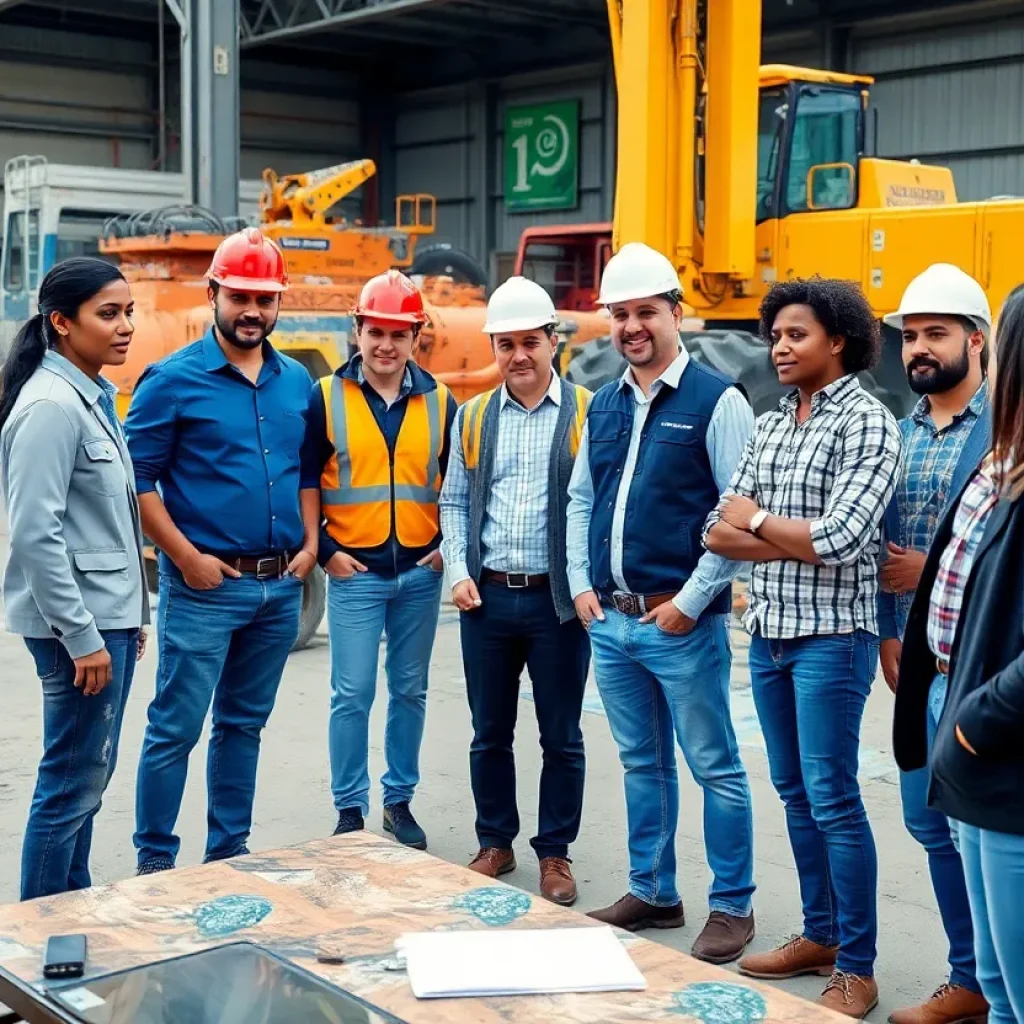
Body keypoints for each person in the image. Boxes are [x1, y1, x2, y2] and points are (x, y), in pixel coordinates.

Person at [705, 277, 902, 1018]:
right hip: (772, 636)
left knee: (833, 799)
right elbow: (715, 529)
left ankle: (857, 964)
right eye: (775, 336)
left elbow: (846, 540)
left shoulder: (868, 423)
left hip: (832, 641)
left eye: (796, 335)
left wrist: (758, 523)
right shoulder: (771, 420)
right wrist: (776, 532)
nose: (780, 347)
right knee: (793, 794)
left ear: (838, 339)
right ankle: (819, 934)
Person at [565, 242, 758, 963]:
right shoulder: (607, 401)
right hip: (612, 623)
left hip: (679, 625)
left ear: (677, 313)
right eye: (620, 314)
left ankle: (732, 905)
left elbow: (737, 516)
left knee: (715, 766)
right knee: (641, 764)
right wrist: (580, 586)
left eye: (647, 311)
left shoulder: (719, 401)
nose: (632, 327)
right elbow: (582, 495)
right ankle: (653, 891)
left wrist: (692, 600)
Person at [125, 228, 321, 874]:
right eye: (240, 296)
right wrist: (184, 558)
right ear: (213, 293)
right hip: (204, 586)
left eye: (265, 300)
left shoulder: (296, 382)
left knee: (243, 726)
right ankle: (155, 864)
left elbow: (305, 471)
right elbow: (138, 481)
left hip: (276, 589)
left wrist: (310, 543)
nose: (253, 312)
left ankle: (227, 854)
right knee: (174, 730)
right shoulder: (172, 381)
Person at [439, 277, 591, 904]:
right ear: (494, 349)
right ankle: (495, 841)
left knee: (561, 736)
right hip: (489, 599)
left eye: (531, 341)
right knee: (489, 730)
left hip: (559, 605)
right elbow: (452, 501)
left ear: (553, 341)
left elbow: (596, 504)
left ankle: (554, 854)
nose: (519, 356)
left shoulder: (589, 410)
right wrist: (458, 570)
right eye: (507, 345)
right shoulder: (472, 416)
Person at [0, 258, 149, 900]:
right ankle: (34, 938)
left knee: (87, 779)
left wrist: (129, 614)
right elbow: (36, 534)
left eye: (128, 312)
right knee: (70, 783)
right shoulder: (52, 408)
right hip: (77, 631)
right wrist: (85, 636)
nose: (125, 327)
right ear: (62, 323)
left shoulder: (88, 395)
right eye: (107, 314)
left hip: (103, 619)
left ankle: (74, 909)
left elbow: (107, 523)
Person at [896, 283, 1024, 1024]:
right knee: (1000, 982)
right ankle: (967, 984)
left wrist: (975, 720)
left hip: (995, 736)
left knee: (1016, 982)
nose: (918, 349)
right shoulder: (1005, 455)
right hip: (954, 693)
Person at [306, 269, 458, 850]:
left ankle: (398, 802)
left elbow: (457, 484)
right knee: (352, 693)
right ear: (357, 331)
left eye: (399, 334)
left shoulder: (441, 401)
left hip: (420, 573)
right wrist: (325, 549)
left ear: (416, 334)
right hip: (356, 573)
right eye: (376, 333)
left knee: (410, 690)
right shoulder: (325, 397)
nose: (386, 346)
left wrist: (449, 548)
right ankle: (350, 811)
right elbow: (306, 481)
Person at [879, 265, 992, 1024]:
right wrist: (893, 641)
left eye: (936, 333)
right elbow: (883, 551)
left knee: (984, 834)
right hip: (917, 667)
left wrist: (929, 573)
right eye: (911, 335)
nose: (918, 348)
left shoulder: (1005, 430)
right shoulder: (900, 431)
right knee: (928, 823)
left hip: (982, 667)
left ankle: (994, 977)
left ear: (976, 340)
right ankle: (971, 977)